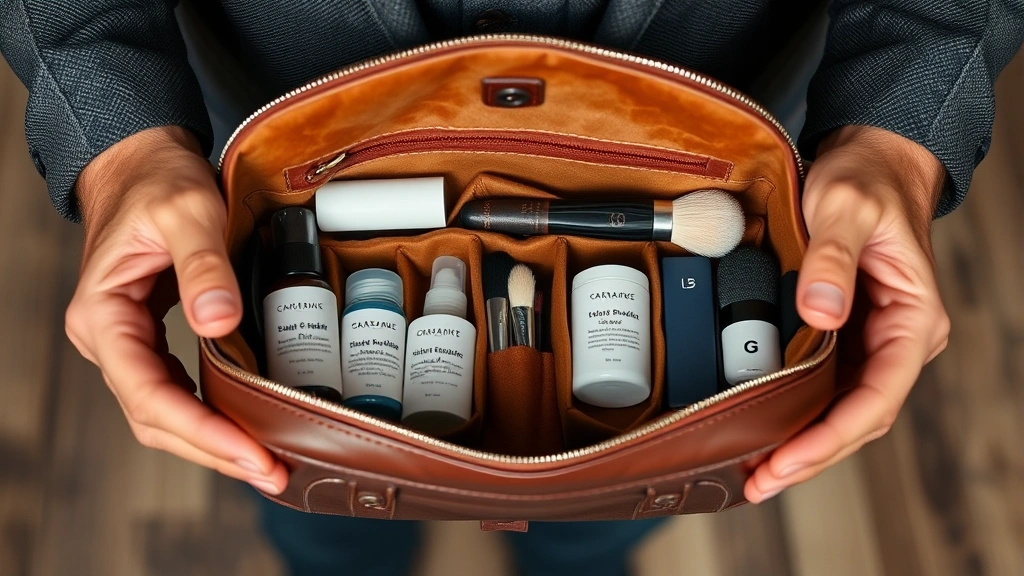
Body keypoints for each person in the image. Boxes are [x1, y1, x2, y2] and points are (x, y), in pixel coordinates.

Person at [1, 1, 1021, 574]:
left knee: (603, 518)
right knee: (315, 501)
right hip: (290, 125)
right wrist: (121, 148)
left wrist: (897, 138)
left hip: (717, 123)